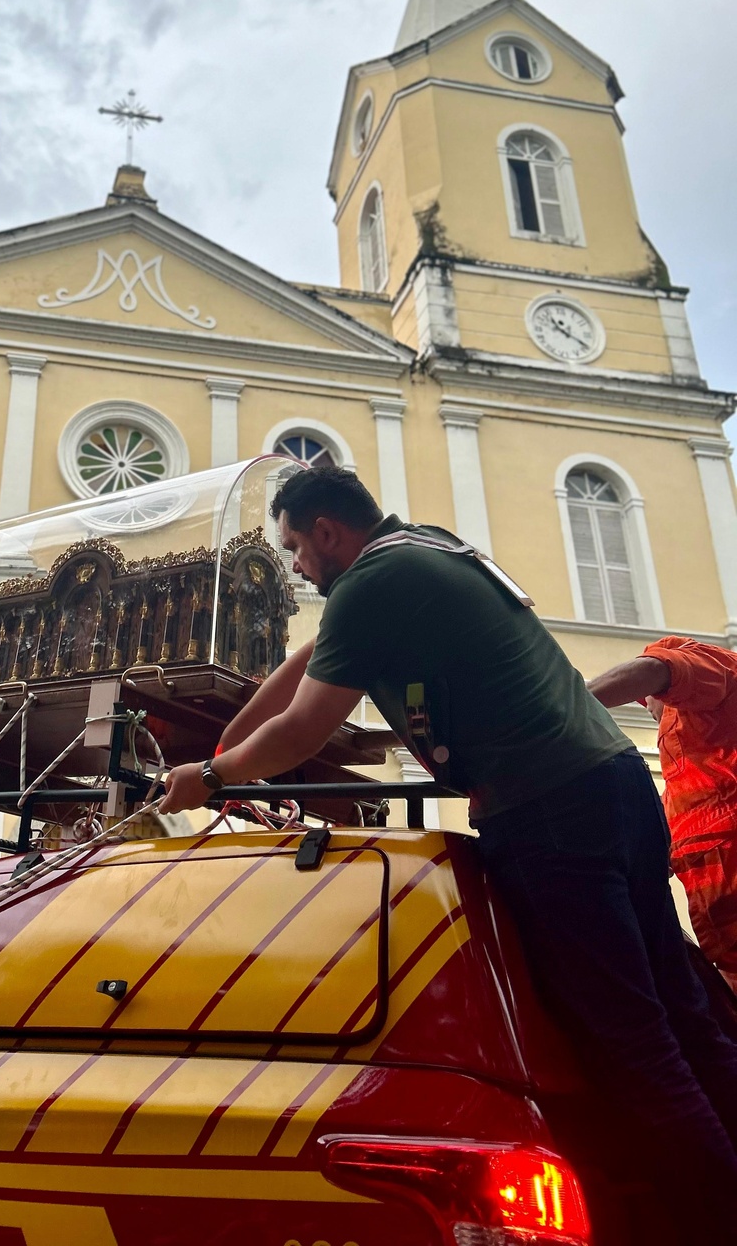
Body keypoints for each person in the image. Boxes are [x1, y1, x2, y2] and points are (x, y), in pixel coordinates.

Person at [160, 465, 737, 1236]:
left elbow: (303, 728)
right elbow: (301, 675)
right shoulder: (424, 548)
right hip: (616, 789)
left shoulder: (373, 583)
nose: (296, 566)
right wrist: (223, 741)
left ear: (329, 533)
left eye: (297, 547)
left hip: (546, 811)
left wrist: (209, 776)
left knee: (634, 1047)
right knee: (688, 1018)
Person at [590, 637, 737, 994]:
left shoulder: (714, 668)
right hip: (724, 929)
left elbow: (656, 670)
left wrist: (564, 703)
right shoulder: (691, 762)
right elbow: (662, 838)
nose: (646, 708)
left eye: (647, 699)